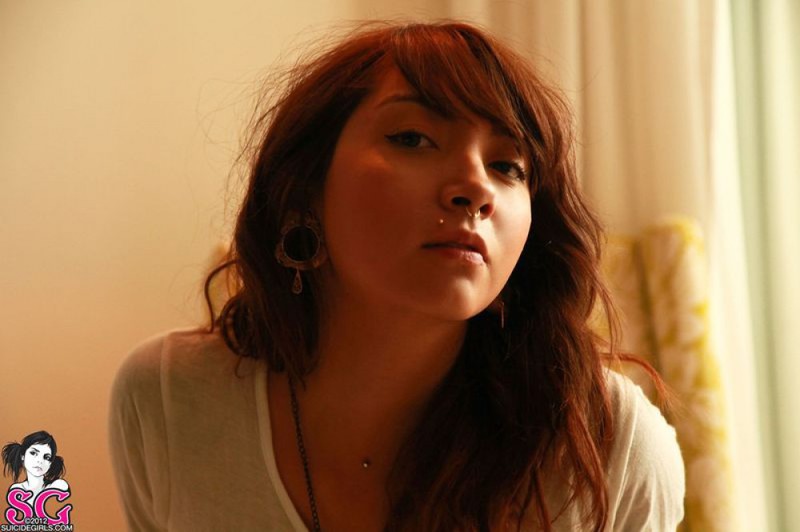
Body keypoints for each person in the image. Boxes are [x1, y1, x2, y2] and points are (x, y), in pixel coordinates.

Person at [109, 20, 684, 531]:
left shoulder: (610, 447)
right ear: (302, 190)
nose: (476, 187)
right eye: (413, 138)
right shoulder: (167, 400)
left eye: (508, 166)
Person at [2, 431, 69, 502]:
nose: (40, 461)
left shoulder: (58, 485)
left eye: (47, 457)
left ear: (50, 464)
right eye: (33, 453)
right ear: (22, 456)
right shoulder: (17, 489)